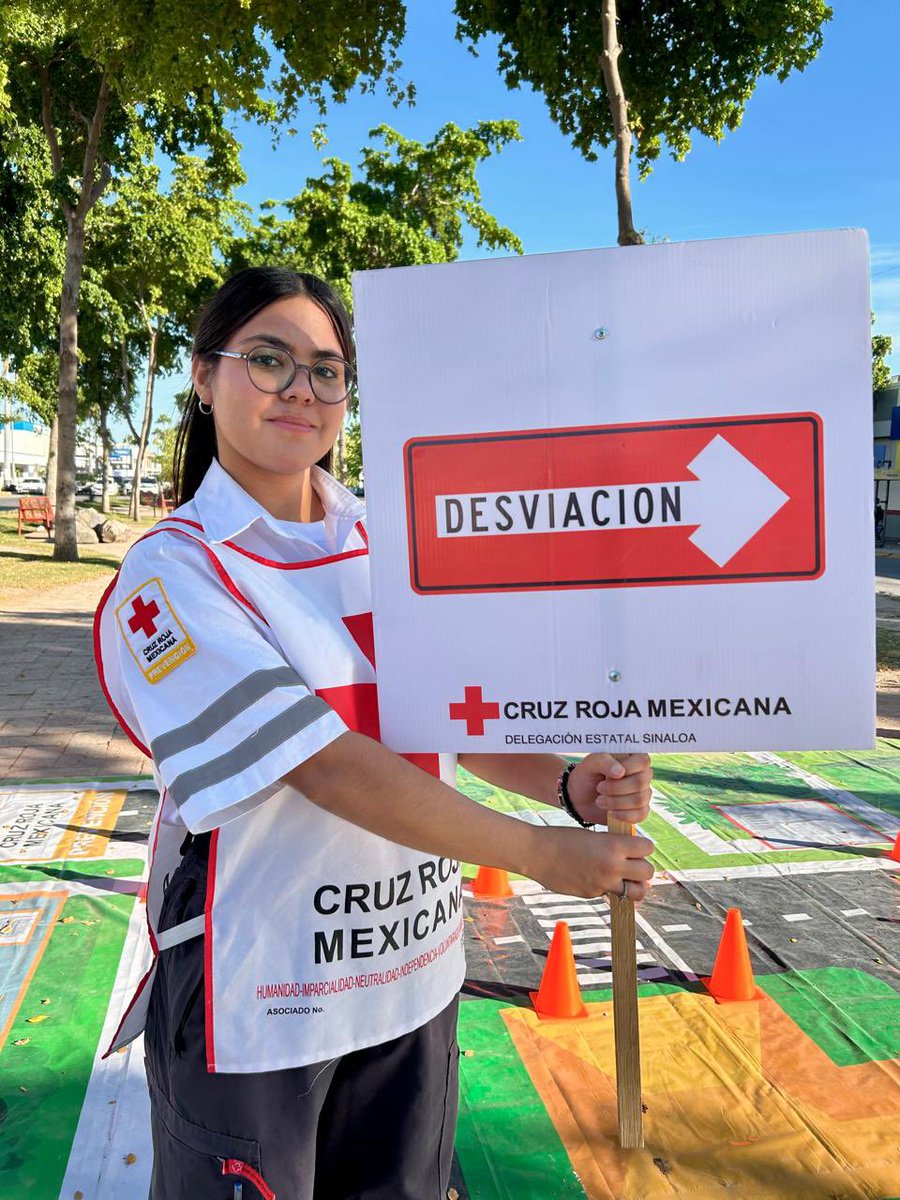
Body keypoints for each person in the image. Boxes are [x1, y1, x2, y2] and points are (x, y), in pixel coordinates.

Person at [94, 266, 654, 1200]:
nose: (300, 391)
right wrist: (540, 853)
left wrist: (565, 784)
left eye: (327, 370)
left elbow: (445, 707)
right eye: (267, 361)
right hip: (263, 997)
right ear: (203, 376)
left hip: (412, 976)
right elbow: (324, 764)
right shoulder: (170, 578)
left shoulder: (391, 538)